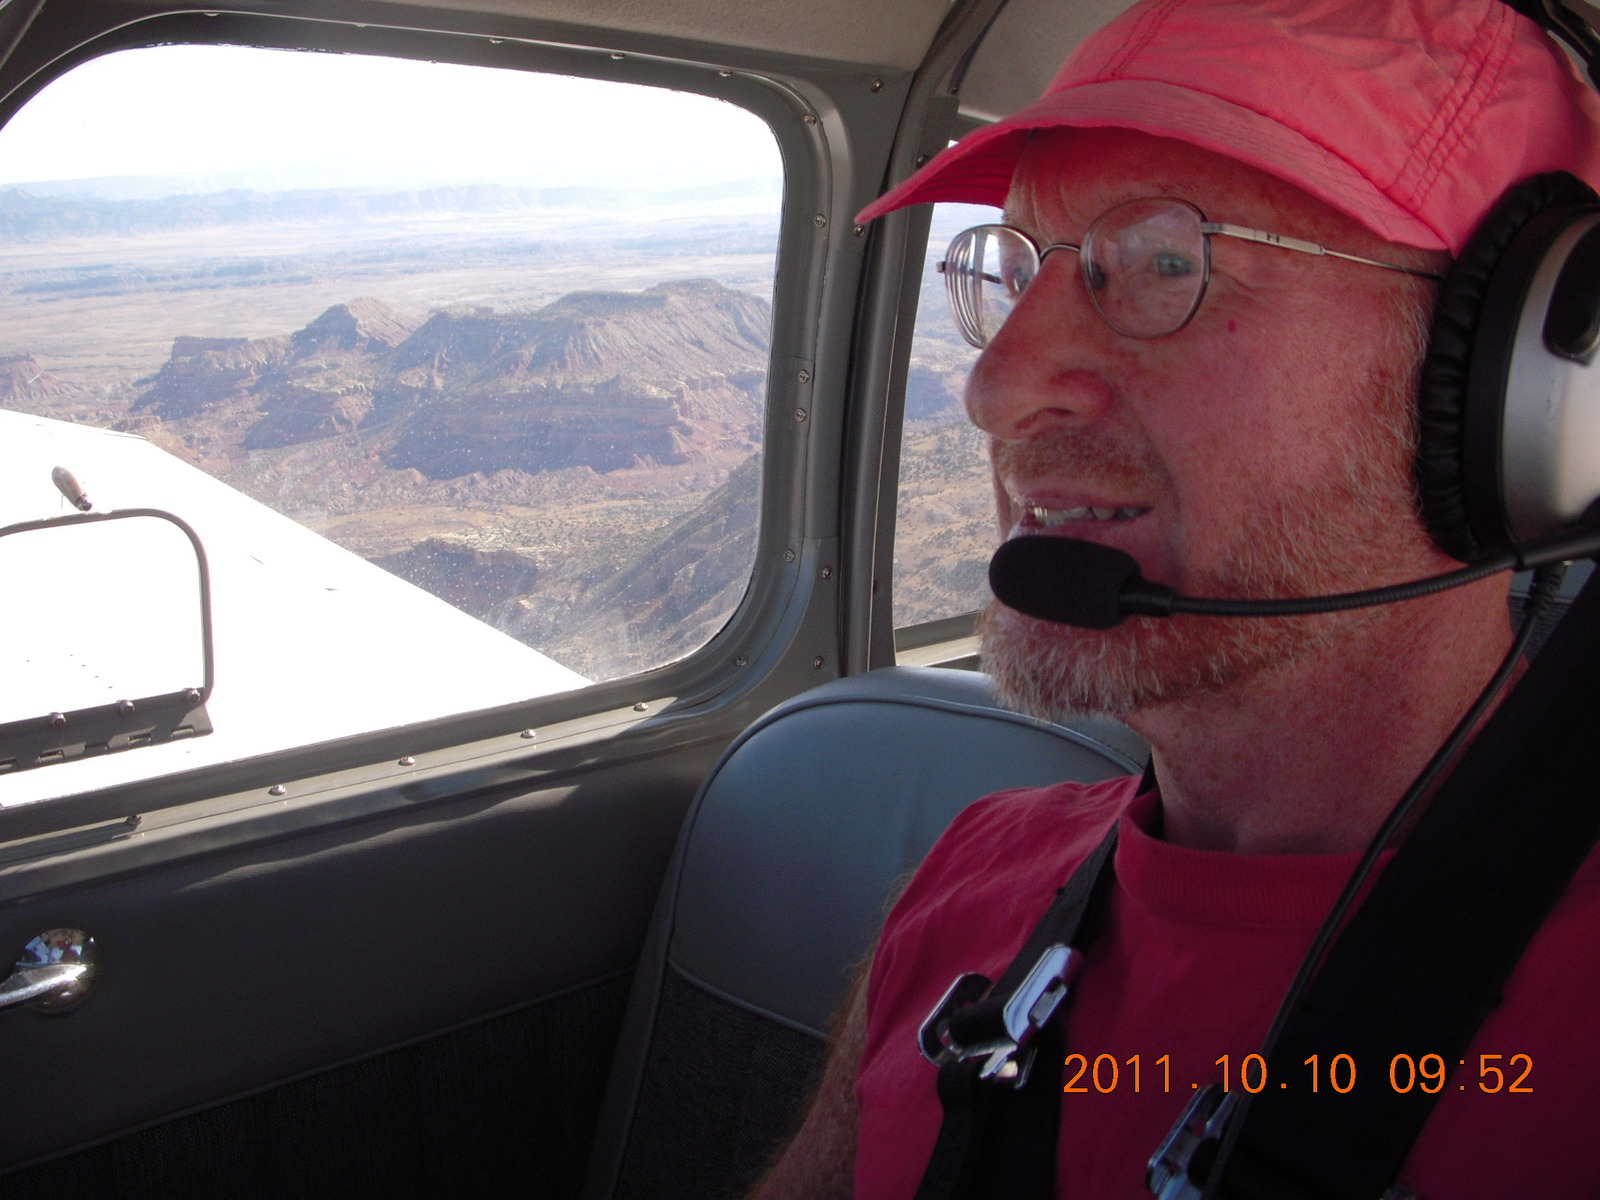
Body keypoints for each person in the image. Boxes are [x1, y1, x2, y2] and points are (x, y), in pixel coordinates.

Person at [750, 1, 1600, 1197]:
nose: (996, 389)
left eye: (1164, 263)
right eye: (1016, 267)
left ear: (1515, 380)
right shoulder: (969, 887)